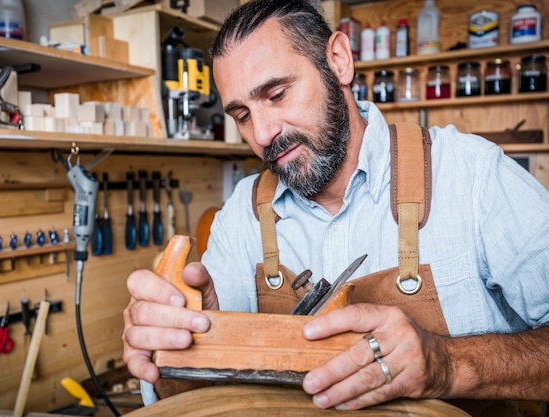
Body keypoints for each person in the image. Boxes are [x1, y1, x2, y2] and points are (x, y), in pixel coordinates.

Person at [122, 0, 549, 413]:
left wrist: (447, 364)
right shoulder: (243, 214)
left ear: (339, 61)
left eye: (276, 94)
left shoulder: (471, 174)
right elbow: (194, 395)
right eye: (242, 115)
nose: (264, 134)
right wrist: (174, 348)